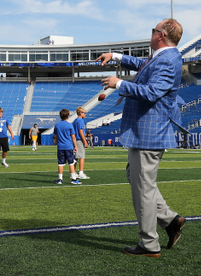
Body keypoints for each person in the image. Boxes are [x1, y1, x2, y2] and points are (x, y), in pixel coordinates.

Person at [97, 18, 186, 258]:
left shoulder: (167, 60)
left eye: (153, 31)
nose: (151, 34)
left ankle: (149, 243)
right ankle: (170, 220)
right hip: (146, 132)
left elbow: (151, 92)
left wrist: (119, 84)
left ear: (161, 35)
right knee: (136, 179)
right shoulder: (162, 57)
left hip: (150, 132)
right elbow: (142, 64)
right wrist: (115, 56)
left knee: (143, 187)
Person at [53, 109, 80, 185]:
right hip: (68, 146)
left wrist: (58, 143)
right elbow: (73, 137)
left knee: (60, 163)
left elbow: (55, 136)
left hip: (60, 147)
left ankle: (60, 179)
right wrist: (75, 146)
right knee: (71, 163)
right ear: (68, 116)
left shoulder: (57, 125)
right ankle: (73, 179)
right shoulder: (69, 125)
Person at [73, 107, 90, 179]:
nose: (85, 114)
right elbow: (80, 131)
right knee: (82, 156)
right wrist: (85, 141)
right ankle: (81, 173)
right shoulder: (80, 120)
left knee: (76, 157)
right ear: (80, 113)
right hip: (79, 140)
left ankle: (73, 172)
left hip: (75, 140)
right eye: (84, 113)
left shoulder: (75, 120)